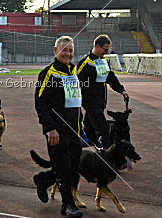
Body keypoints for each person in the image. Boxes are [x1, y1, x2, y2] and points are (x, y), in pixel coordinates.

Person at [33, 36, 83, 217]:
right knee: (63, 168)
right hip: (57, 130)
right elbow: (41, 103)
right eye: (64, 50)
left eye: (70, 50)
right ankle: (68, 205)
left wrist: (80, 121)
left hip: (74, 129)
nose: (68, 54)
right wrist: (49, 129)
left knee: (72, 166)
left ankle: (43, 179)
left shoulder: (73, 71)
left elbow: (75, 100)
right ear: (56, 51)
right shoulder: (49, 73)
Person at [77, 34, 128, 149]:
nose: (106, 52)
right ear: (97, 46)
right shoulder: (84, 63)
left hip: (100, 102)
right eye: (105, 49)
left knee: (90, 131)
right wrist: (77, 107)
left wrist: (121, 90)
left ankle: (86, 156)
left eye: (108, 50)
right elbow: (76, 85)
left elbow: (110, 77)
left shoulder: (103, 61)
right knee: (104, 130)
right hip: (90, 103)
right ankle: (110, 158)